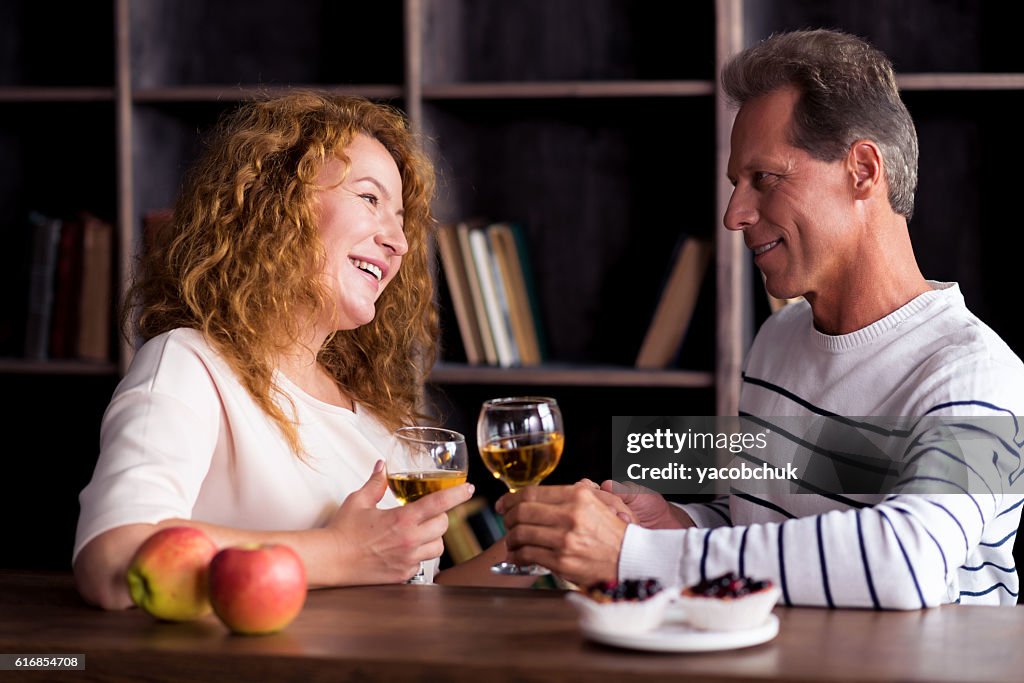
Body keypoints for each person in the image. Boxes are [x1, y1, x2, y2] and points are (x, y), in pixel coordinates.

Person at [497, 29, 1024, 608]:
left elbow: (908, 561)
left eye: (765, 179)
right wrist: (680, 525)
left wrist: (632, 555)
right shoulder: (779, 339)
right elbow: (772, 525)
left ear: (864, 171)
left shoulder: (980, 376)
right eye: (735, 185)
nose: (734, 214)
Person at [74, 92, 488, 609]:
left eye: (402, 216)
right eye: (369, 198)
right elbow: (113, 561)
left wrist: (530, 550)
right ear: (275, 203)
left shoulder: (375, 412)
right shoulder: (188, 364)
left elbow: (407, 600)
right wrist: (337, 552)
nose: (399, 241)